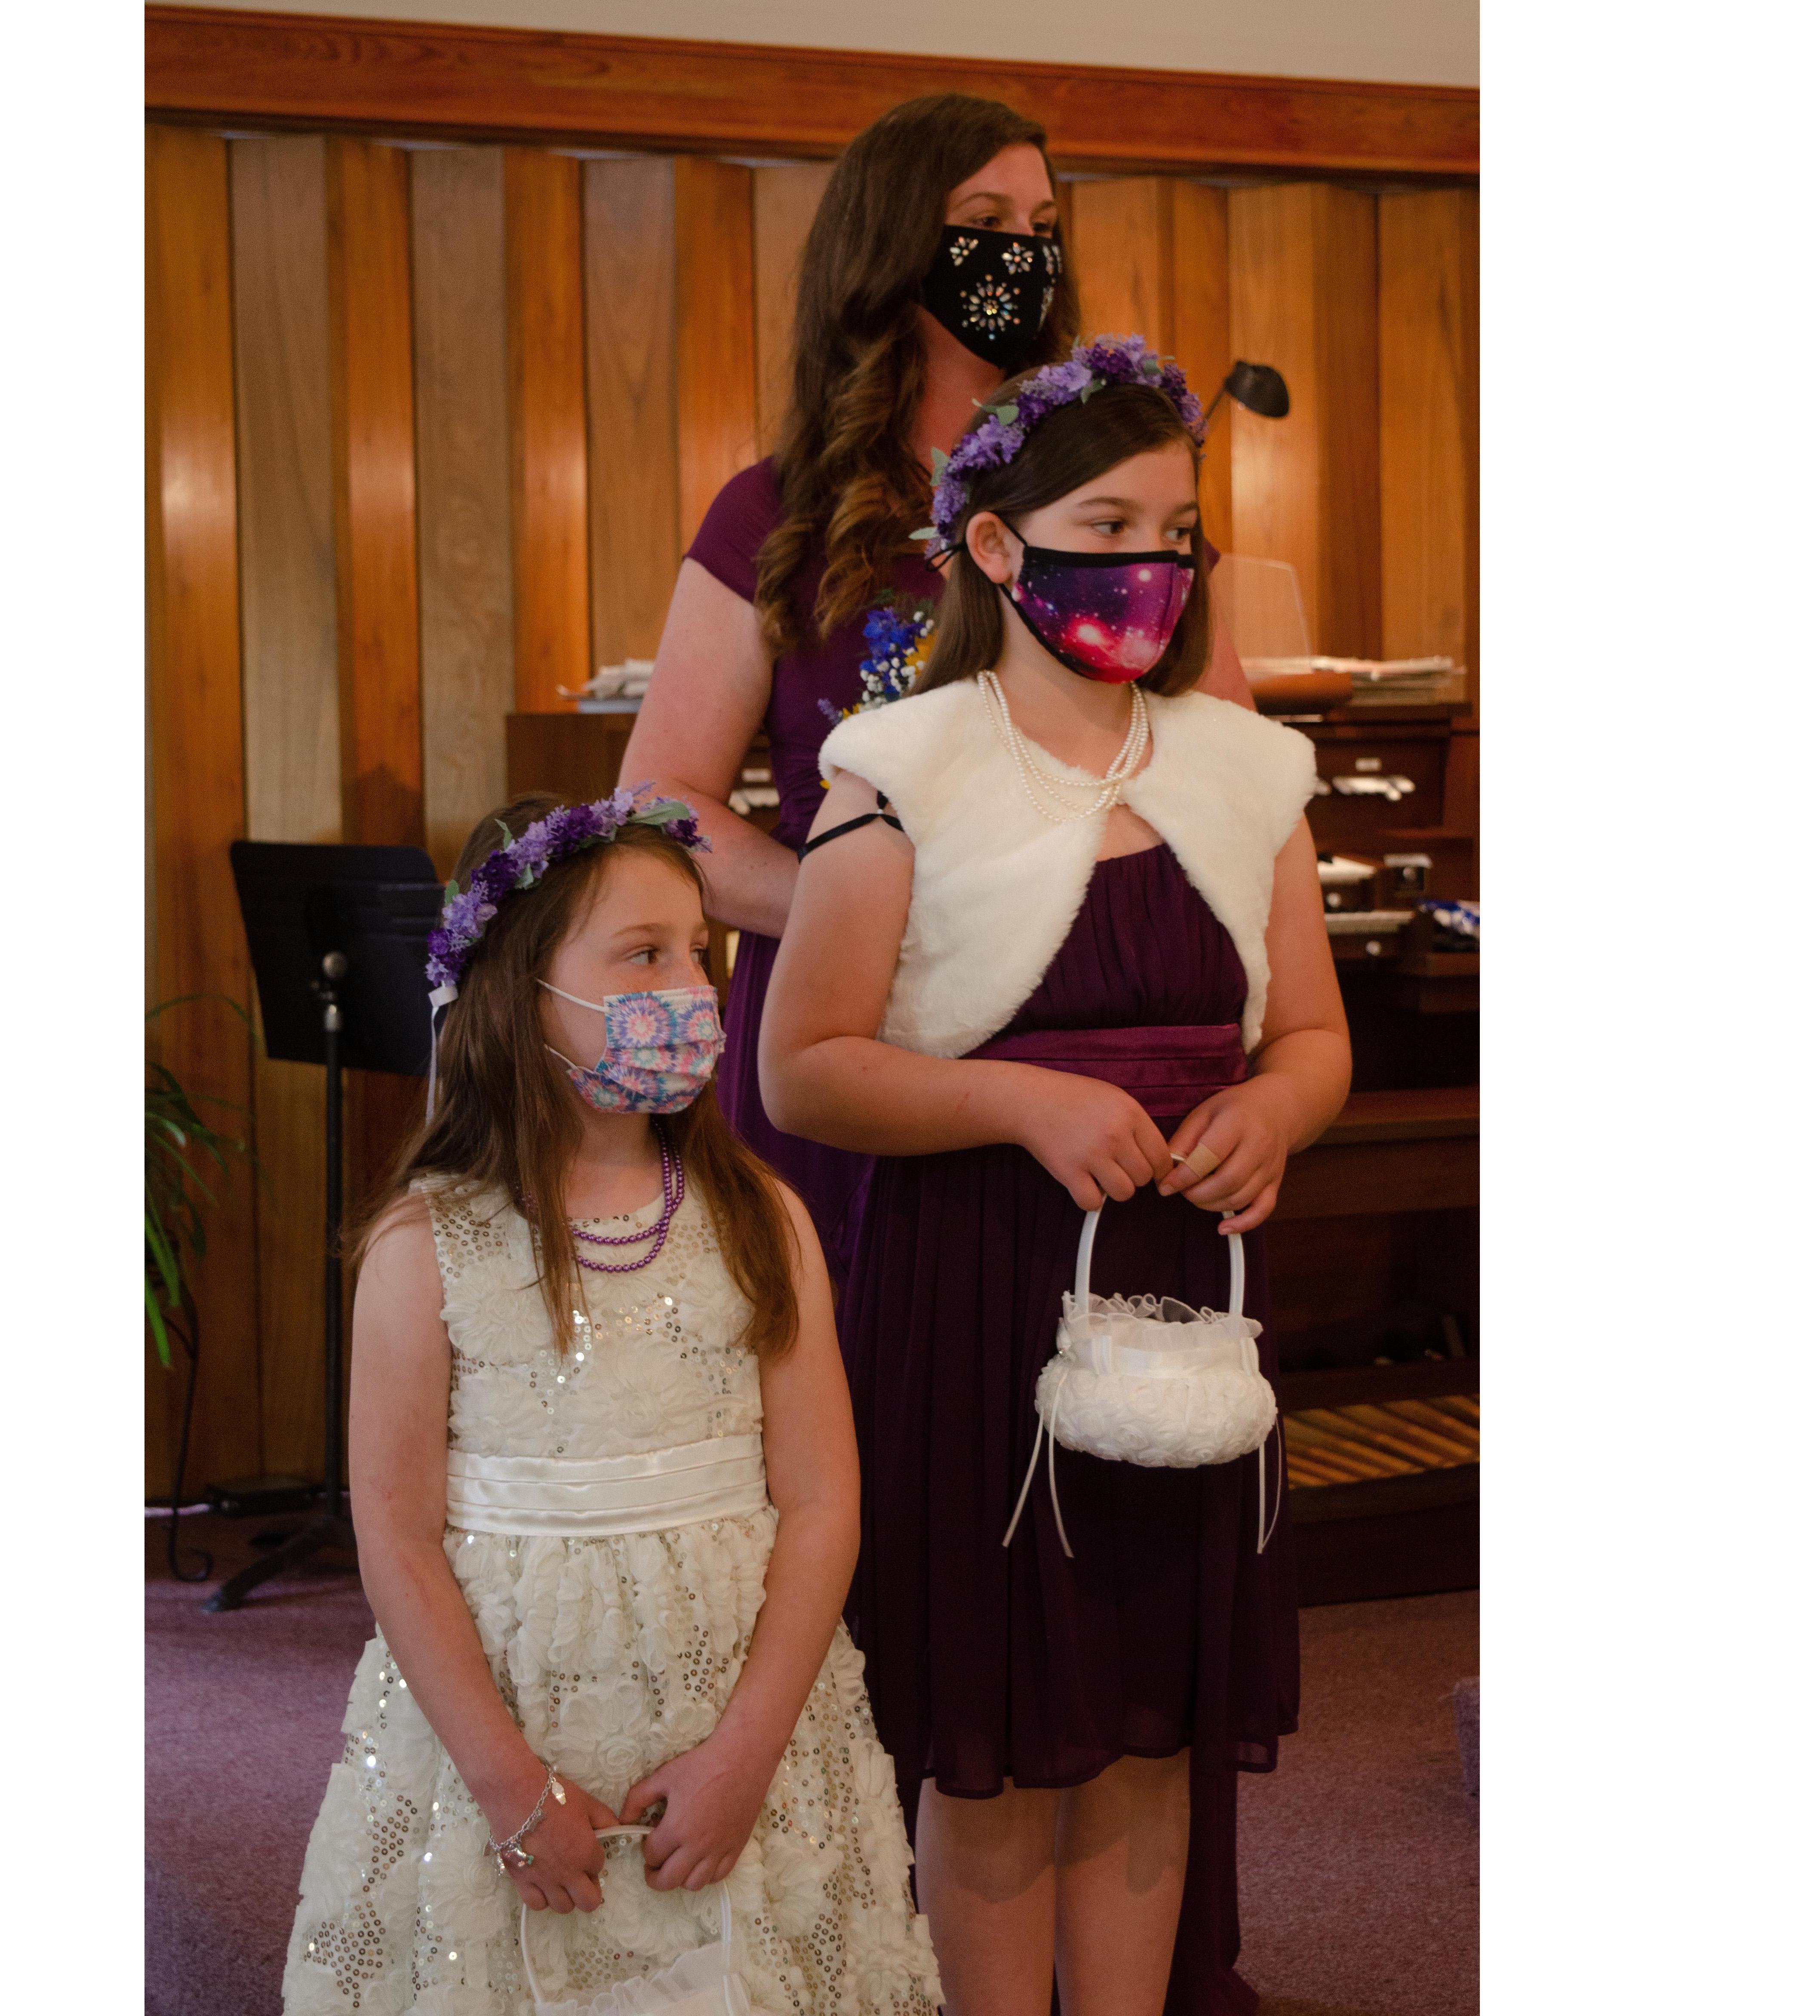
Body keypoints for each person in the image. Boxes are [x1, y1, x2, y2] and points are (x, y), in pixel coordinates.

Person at [758, 342, 1352, 2016]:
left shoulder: (1243, 772)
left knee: (1150, 1725)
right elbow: (802, 1063)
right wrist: (1021, 1100)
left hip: (1183, 1298)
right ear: (1002, 547)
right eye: (1109, 523)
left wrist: (1277, 1113)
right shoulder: (905, 762)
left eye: (1176, 529)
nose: (1153, 567)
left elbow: (1306, 1031)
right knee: (1004, 1745)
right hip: (981, 1289)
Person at [281, 790, 939, 2016]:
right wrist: (507, 1788)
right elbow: (397, 1535)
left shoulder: (760, 1219)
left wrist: (746, 1758)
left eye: (699, 953)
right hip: (510, 1731)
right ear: (516, 989)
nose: (690, 991)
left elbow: (821, 1499)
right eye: (643, 956)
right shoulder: (427, 1250)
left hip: (740, 1720)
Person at [619, 92, 1256, 1283]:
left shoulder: (1114, 504)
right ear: (896, 247)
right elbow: (660, 800)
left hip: (1082, 1014)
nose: (1022, 250)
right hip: (855, 1032)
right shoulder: (777, 511)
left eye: (1042, 223)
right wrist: (847, 911)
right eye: (983, 219)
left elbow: (1228, 766)